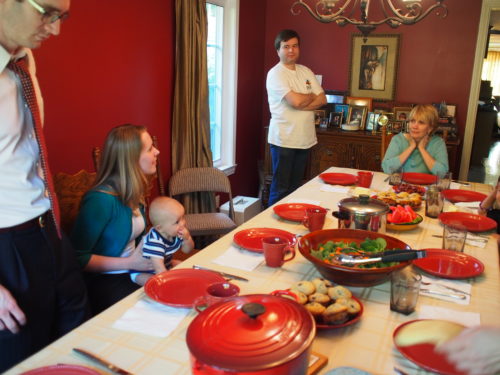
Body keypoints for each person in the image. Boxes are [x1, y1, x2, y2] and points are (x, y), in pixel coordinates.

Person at [0, 0, 89, 371]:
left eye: (61, 16)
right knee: (23, 360)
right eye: (47, 12)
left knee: (76, 342)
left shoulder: (23, 61)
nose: (54, 29)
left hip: (49, 230)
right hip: (7, 248)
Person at [71, 124, 157, 315]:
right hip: (107, 282)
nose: (157, 152)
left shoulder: (134, 192)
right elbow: (77, 257)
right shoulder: (100, 200)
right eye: (150, 149)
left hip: (133, 272)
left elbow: (138, 244)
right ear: (132, 159)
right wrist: (130, 264)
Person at [266, 29, 326, 206]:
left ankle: (289, 228)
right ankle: (272, 228)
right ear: (278, 50)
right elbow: (295, 102)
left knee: (295, 189)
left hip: (304, 140)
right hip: (284, 140)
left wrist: (301, 100)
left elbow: (322, 99)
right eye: (286, 47)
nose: (291, 50)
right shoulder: (276, 74)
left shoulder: (306, 71)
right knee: (280, 189)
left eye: (294, 46)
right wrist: (307, 98)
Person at [130, 196, 194, 286]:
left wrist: (187, 238)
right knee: (154, 282)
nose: (183, 223)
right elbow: (159, 269)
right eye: (177, 222)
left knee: (183, 265)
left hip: (165, 264)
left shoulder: (174, 232)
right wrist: (169, 282)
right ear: (160, 228)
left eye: (182, 217)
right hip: (143, 271)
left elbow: (187, 250)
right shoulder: (155, 242)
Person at [382, 104, 449, 175]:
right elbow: (386, 168)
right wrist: (411, 147)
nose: (414, 126)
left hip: (426, 185)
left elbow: (442, 173)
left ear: (430, 128)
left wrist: (422, 149)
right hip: (401, 184)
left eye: (421, 122)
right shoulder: (398, 139)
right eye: (412, 121)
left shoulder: (438, 143)